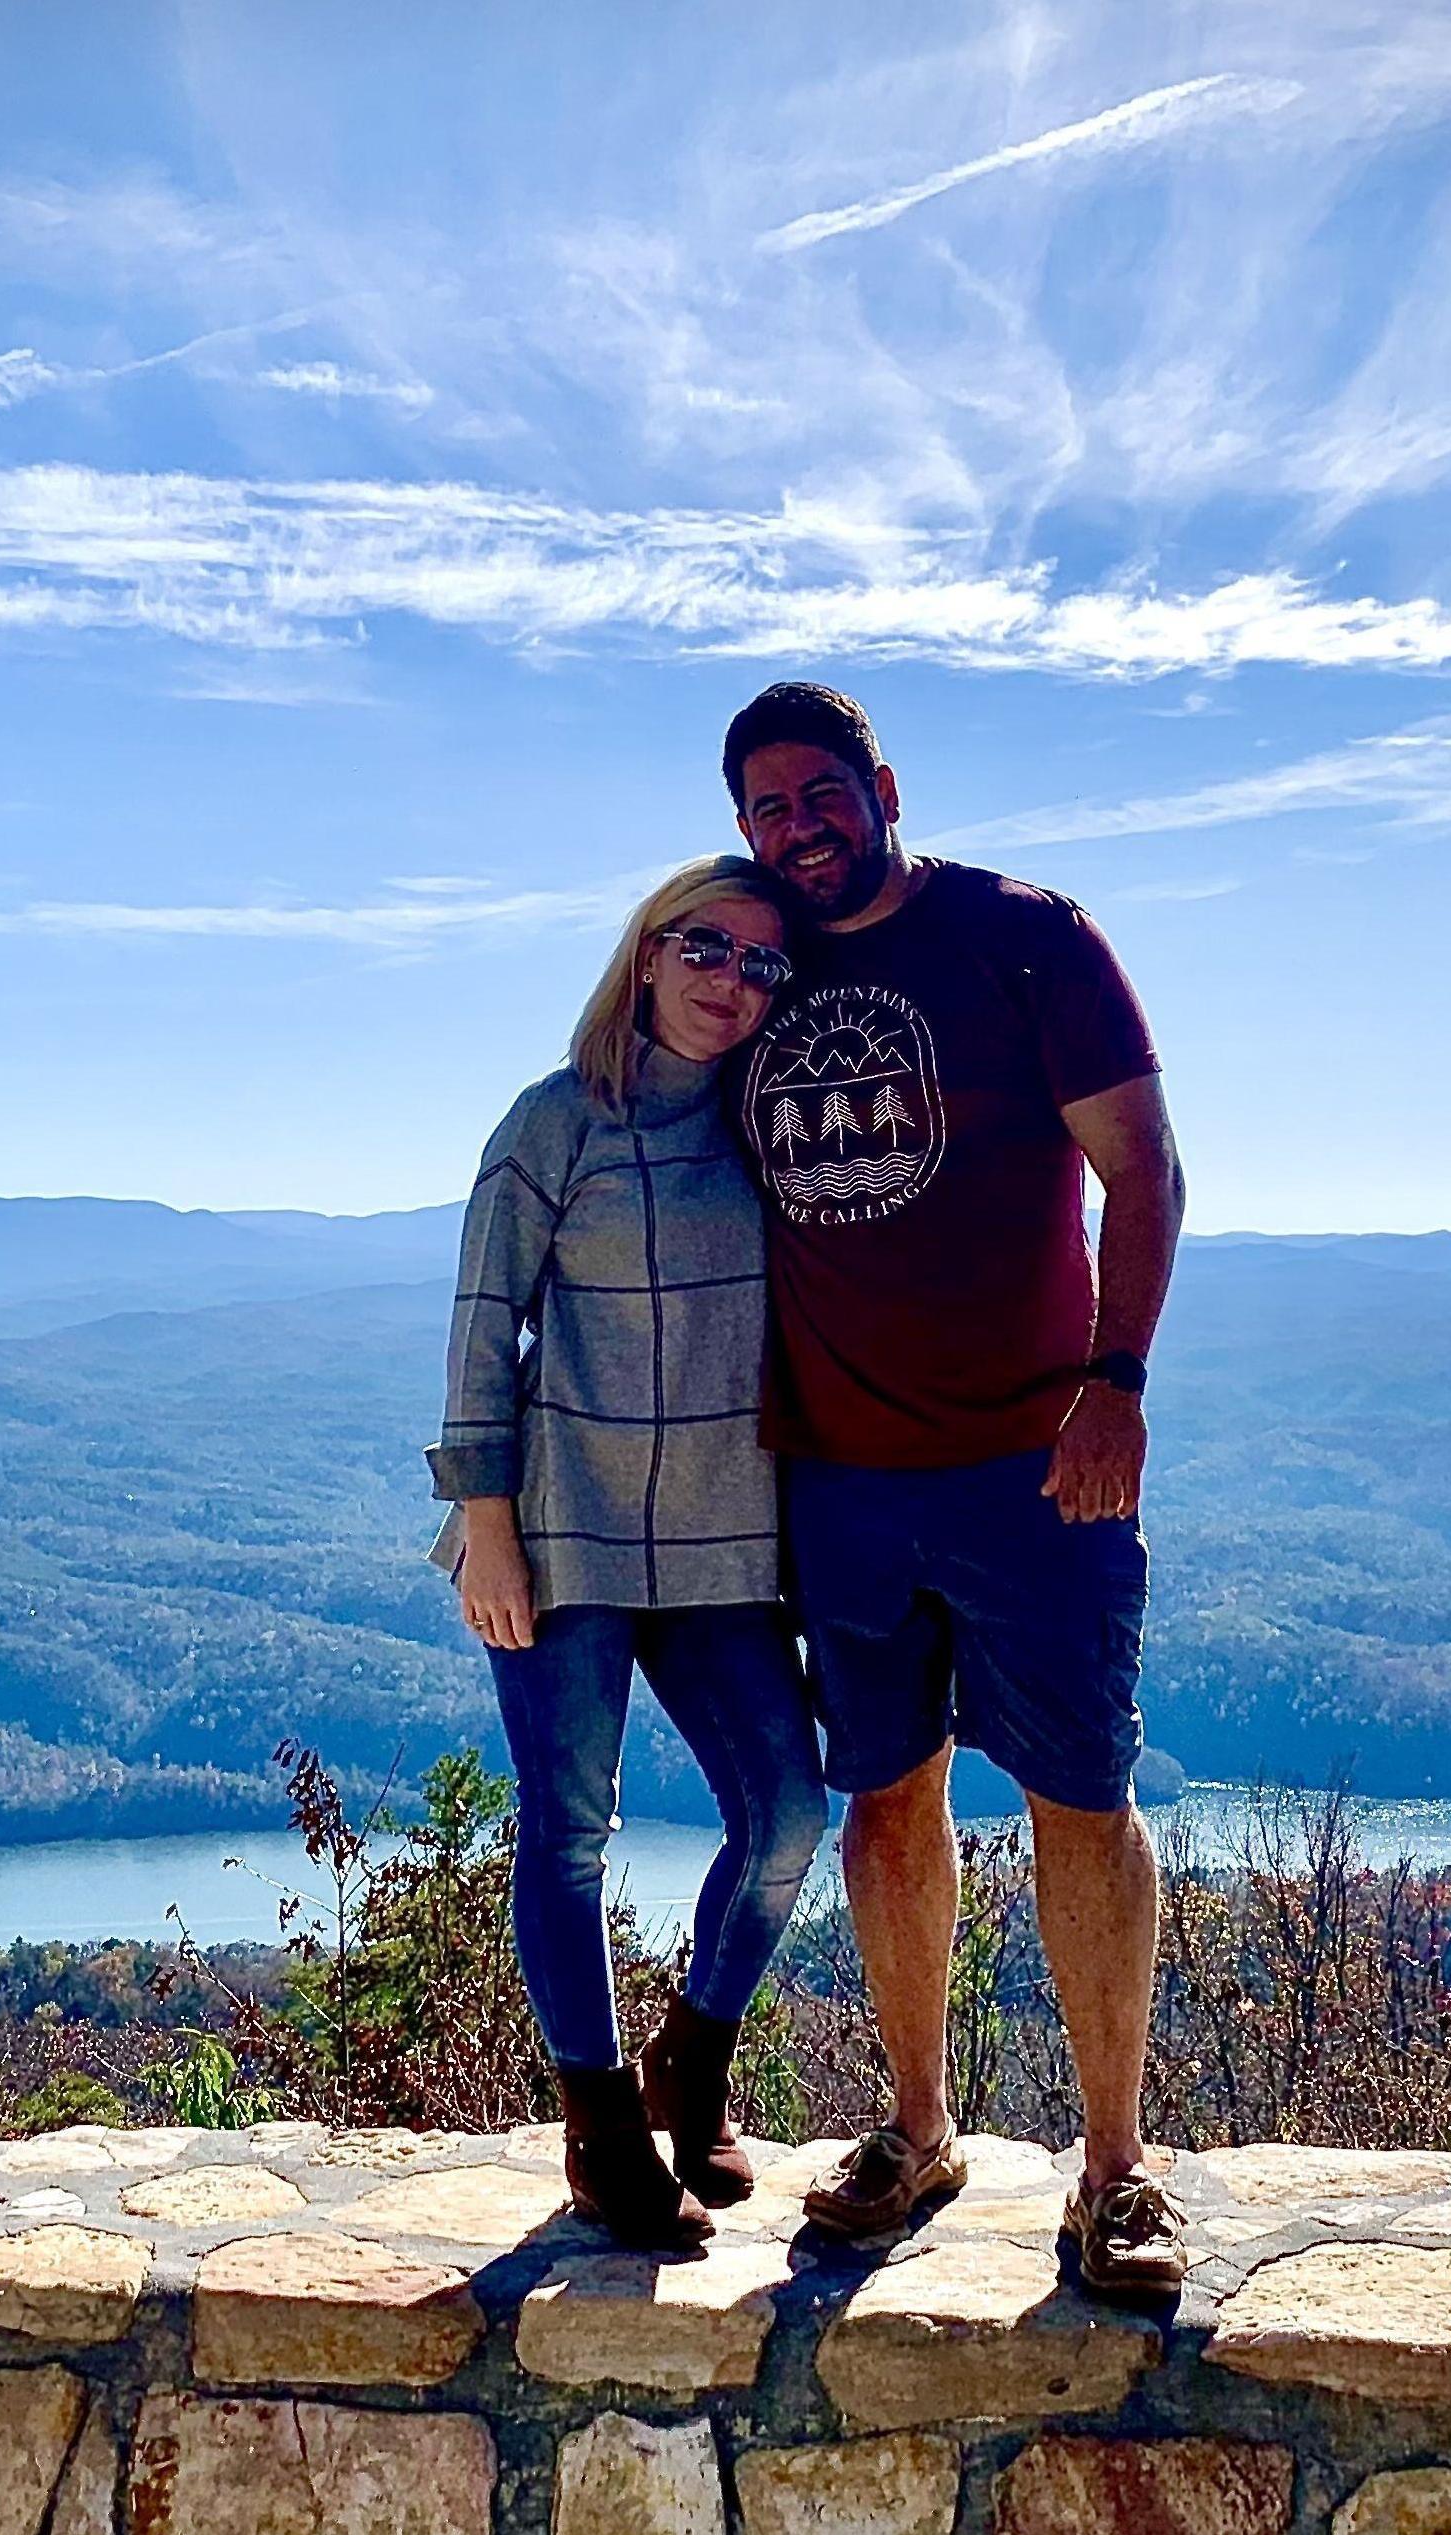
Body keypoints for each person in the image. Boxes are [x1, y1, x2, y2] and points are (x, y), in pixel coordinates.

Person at [722, 682, 1191, 2302]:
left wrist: (1115, 1387)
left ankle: (1118, 2170)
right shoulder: (752, 969)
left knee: (1080, 1796)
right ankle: (919, 2130)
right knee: (885, 1803)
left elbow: (1145, 1165)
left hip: (1034, 1468)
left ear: (883, 786)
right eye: (766, 809)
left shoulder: (1026, 939)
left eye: (818, 793)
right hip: (840, 1480)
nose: (797, 826)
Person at [428, 856, 827, 2250]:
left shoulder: (770, 1131)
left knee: (788, 1818)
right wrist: (486, 1528)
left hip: (727, 1534)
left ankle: (693, 2063)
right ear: (648, 953)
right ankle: (600, 2131)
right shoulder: (553, 1124)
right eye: (707, 947)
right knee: (573, 1831)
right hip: (566, 1527)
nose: (734, 980)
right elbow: (482, 1329)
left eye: (765, 962)